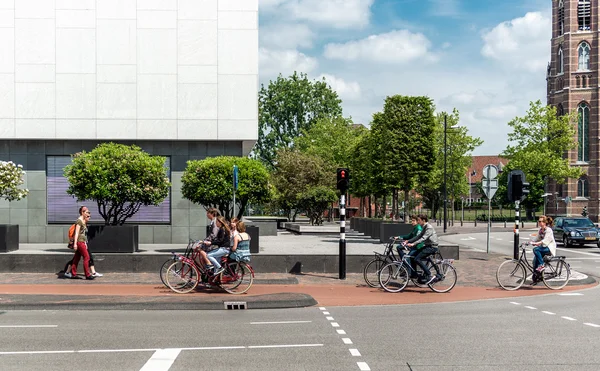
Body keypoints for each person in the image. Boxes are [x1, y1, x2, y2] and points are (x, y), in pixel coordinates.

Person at [404, 214, 439, 284]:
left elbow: (423, 238)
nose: (418, 221)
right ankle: (414, 275)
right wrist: (409, 241)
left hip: (432, 247)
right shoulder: (424, 226)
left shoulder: (429, 227)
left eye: (419, 220)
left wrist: (413, 244)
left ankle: (429, 275)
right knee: (412, 256)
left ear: (423, 220)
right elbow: (419, 236)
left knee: (417, 259)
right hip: (428, 246)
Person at [67, 206, 95, 280]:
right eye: (86, 212)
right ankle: (87, 274)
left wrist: (85, 242)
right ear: (82, 212)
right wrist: (75, 243)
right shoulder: (79, 221)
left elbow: (83, 233)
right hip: (79, 242)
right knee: (87, 257)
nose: (88, 214)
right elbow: (76, 233)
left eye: (88, 212)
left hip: (82, 241)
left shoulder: (83, 221)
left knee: (76, 258)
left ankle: (73, 274)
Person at [531, 215, 556, 281]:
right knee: (534, 261)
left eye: (541, 221)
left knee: (536, 249)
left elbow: (545, 241)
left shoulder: (548, 230)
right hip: (543, 248)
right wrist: (530, 242)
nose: (540, 223)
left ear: (545, 222)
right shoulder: (540, 230)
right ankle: (537, 276)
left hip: (549, 248)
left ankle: (542, 265)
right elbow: (536, 238)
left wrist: (537, 243)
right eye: (539, 221)